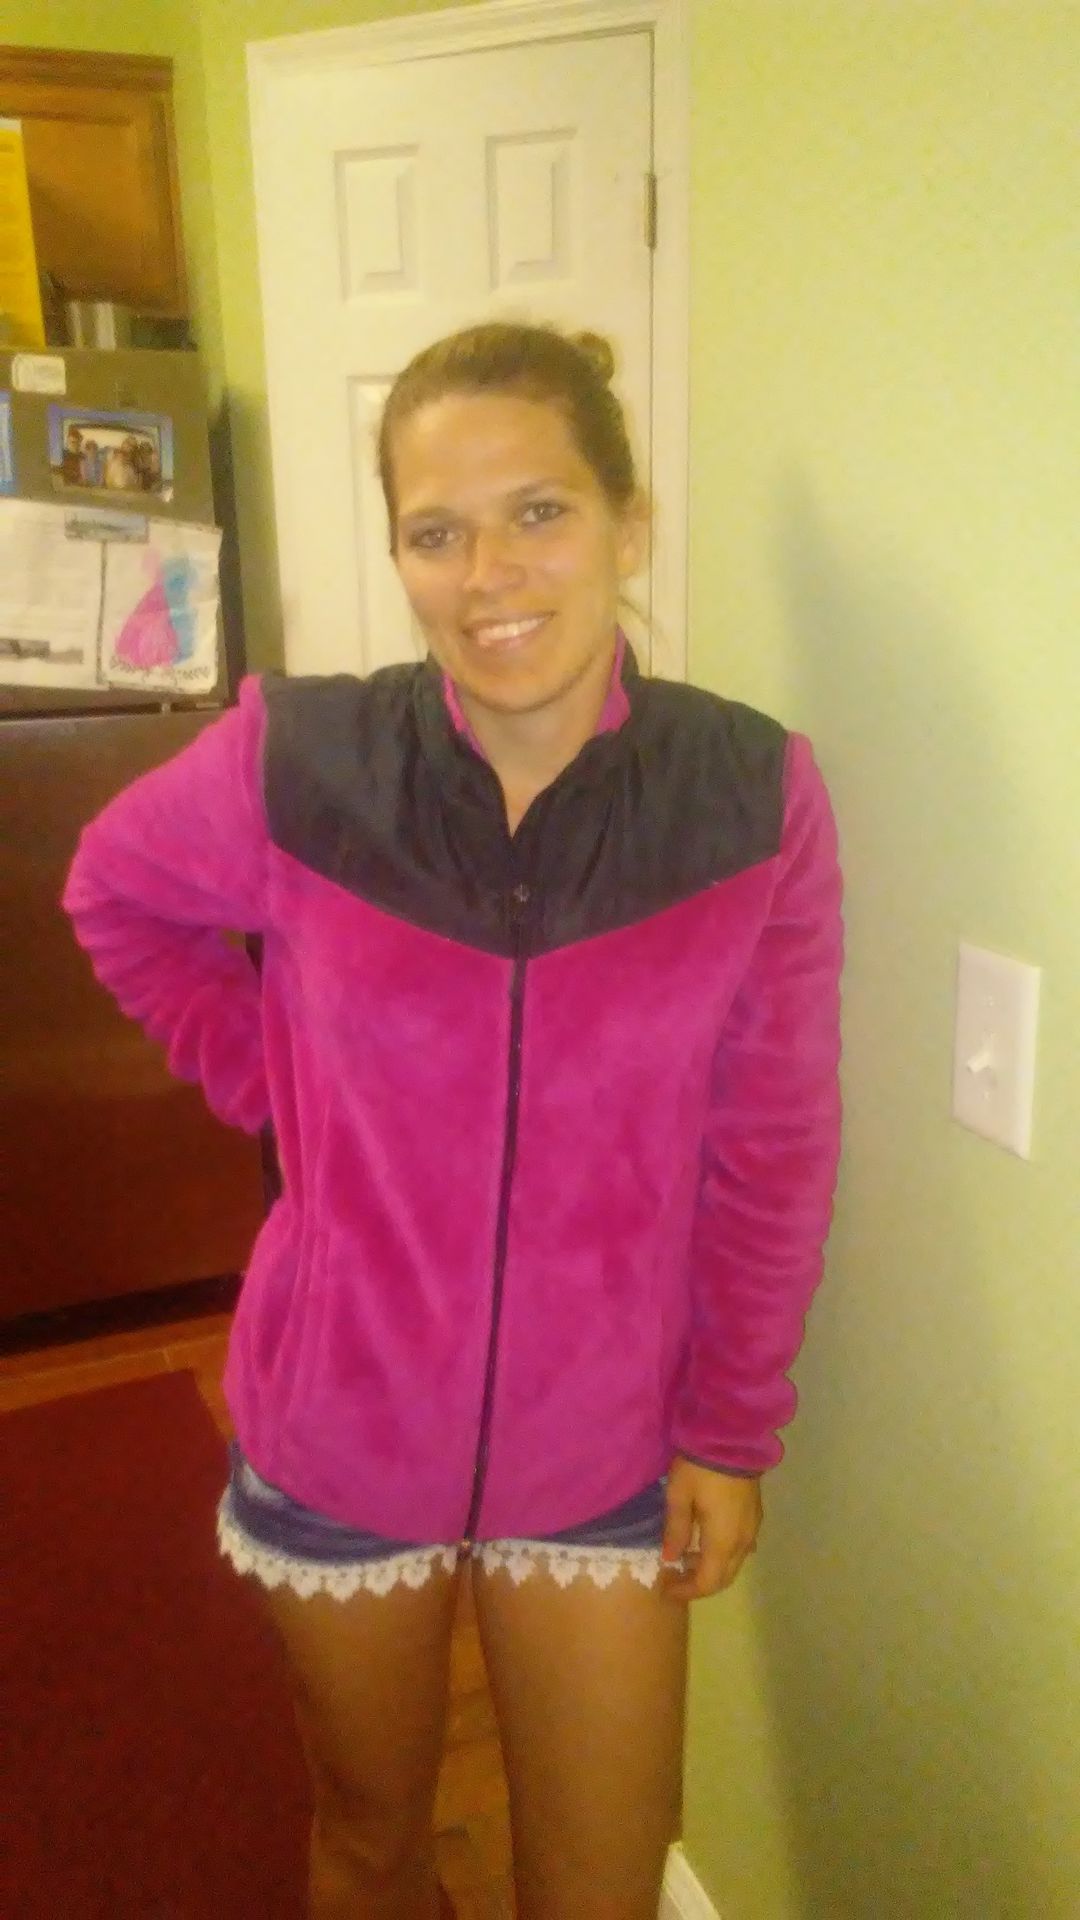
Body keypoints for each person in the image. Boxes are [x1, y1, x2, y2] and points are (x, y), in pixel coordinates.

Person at [62, 320, 843, 1920]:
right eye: (437, 531)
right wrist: (276, 1083)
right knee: (370, 1847)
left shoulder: (750, 795)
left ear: (629, 526)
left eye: (539, 511)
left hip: (608, 1439)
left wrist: (730, 1426)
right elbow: (114, 894)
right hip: (339, 1426)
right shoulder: (304, 761)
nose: (489, 574)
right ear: (402, 556)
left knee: (602, 1880)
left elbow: (772, 1143)